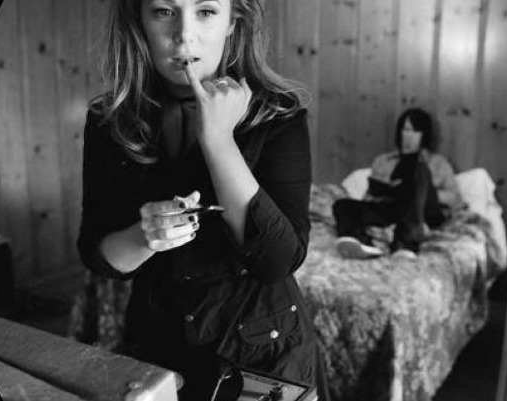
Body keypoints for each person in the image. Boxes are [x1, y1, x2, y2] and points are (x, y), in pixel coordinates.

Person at [76, 1, 328, 400]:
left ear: (233, 21)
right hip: (157, 348)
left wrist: (219, 141)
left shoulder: (278, 114)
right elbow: (96, 253)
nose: (184, 36)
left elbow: (278, 260)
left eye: (206, 11)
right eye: (164, 11)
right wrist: (145, 236)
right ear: (139, 20)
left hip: (263, 358)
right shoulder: (110, 119)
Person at [332, 108, 463, 259]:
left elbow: (455, 198)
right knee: (342, 205)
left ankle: (405, 244)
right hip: (392, 209)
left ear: (424, 134)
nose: (408, 136)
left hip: (423, 212)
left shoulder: (438, 163)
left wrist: (423, 192)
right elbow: (370, 195)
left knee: (419, 171)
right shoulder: (383, 161)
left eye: (415, 131)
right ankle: (358, 240)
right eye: (405, 129)